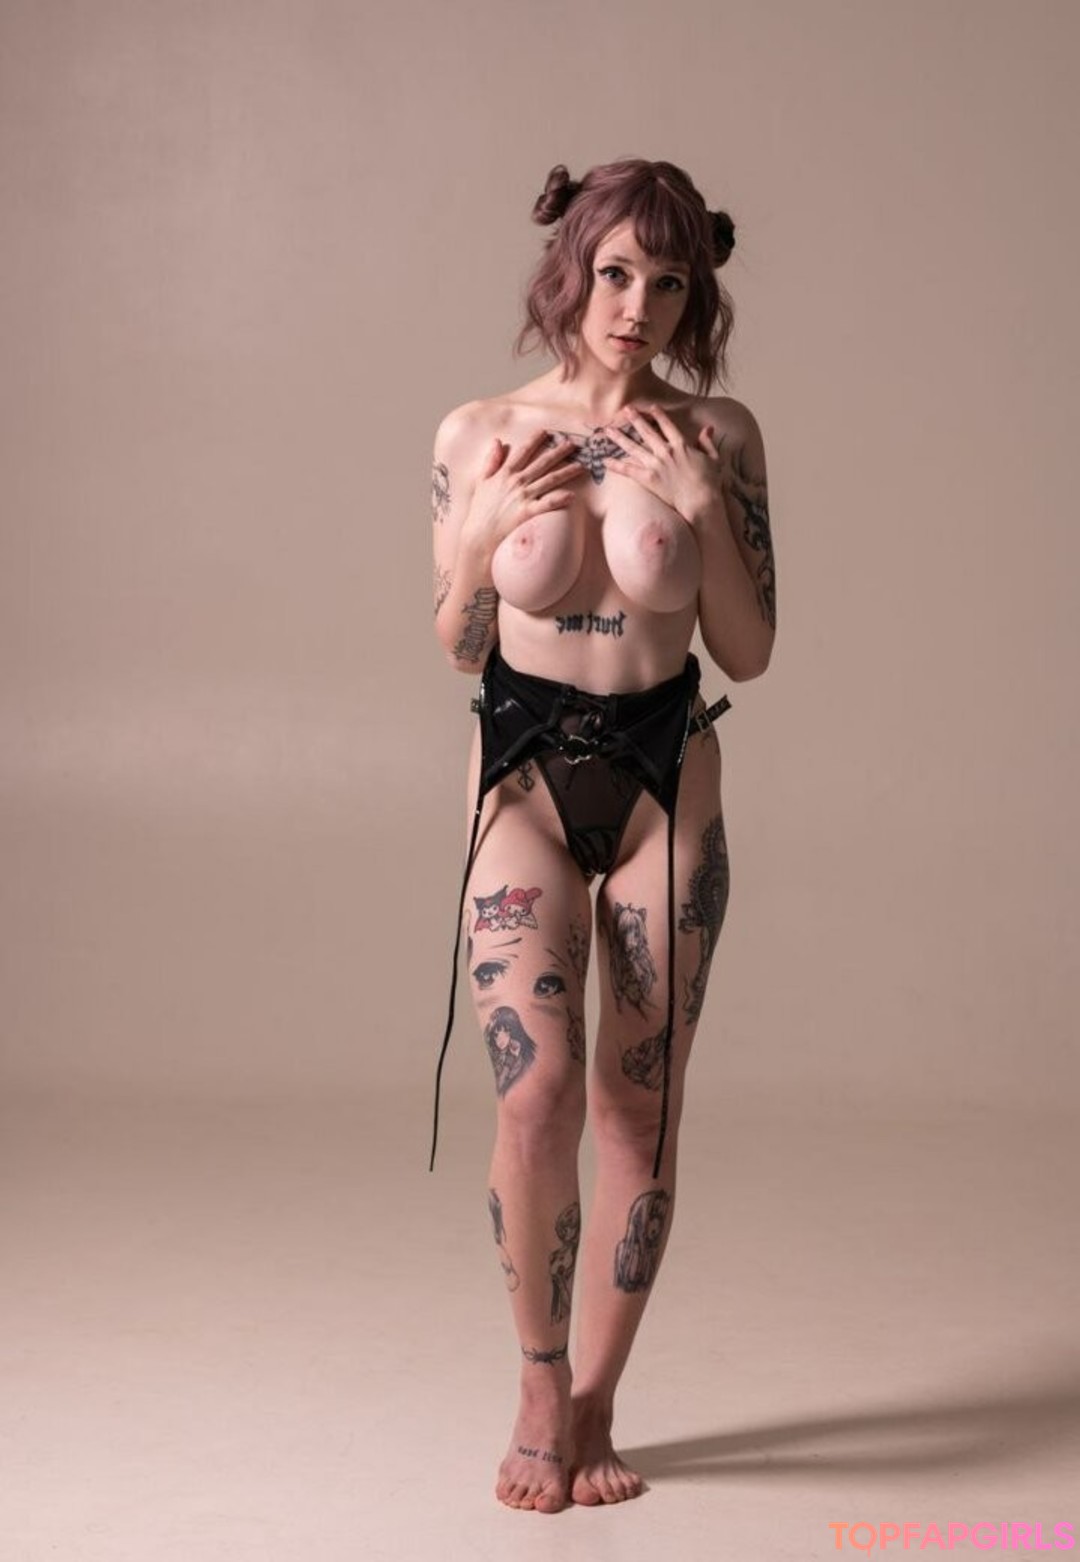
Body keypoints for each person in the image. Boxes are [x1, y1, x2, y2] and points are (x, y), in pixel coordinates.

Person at [428, 157, 776, 1514]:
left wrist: (702, 512)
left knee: (640, 1102)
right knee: (536, 1092)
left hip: (663, 786)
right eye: (618, 273)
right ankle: (535, 1381)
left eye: (670, 282)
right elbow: (459, 641)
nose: (639, 307)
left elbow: (749, 646)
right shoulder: (479, 431)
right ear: (570, 270)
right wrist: (478, 542)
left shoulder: (718, 436)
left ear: (696, 297)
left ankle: (596, 1398)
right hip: (522, 784)